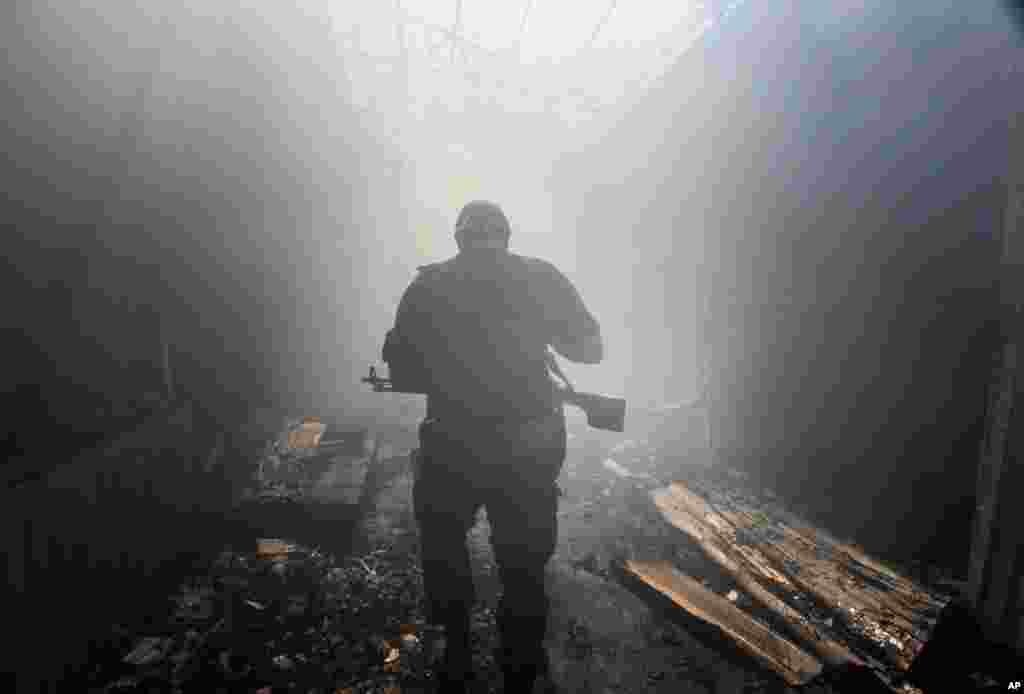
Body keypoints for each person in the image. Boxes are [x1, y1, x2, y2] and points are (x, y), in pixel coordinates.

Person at [381, 200, 603, 693]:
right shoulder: (542, 277)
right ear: (506, 234)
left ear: (459, 237)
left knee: (444, 547)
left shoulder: (429, 284)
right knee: (523, 566)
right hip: (530, 445)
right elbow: (592, 349)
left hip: (452, 444)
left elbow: (400, 365)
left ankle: (455, 652)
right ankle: (521, 667)